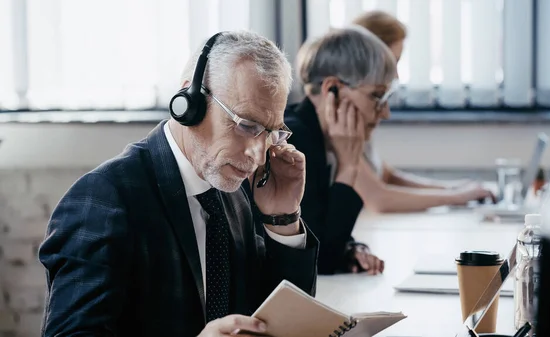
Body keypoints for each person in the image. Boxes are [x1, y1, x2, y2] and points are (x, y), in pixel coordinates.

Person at [38, 31, 319, 337]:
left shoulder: (235, 188)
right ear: (190, 101)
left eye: (271, 132)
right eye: (247, 125)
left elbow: (275, 320)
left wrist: (282, 219)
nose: (258, 154)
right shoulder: (104, 199)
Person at [350, 10, 495, 213]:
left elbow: (386, 175)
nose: (397, 75)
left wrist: (452, 188)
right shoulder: (342, 119)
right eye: (393, 62)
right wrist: (457, 196)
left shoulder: (366, 114)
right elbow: (379, 199)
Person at [283, 26, 397, 276]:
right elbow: (320, 261)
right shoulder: (293, 141)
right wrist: (349, 167)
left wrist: (350, 248)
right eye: (377, 96)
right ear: (331, 88)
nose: (385, 112)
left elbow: (316, 229)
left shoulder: (314, 133)